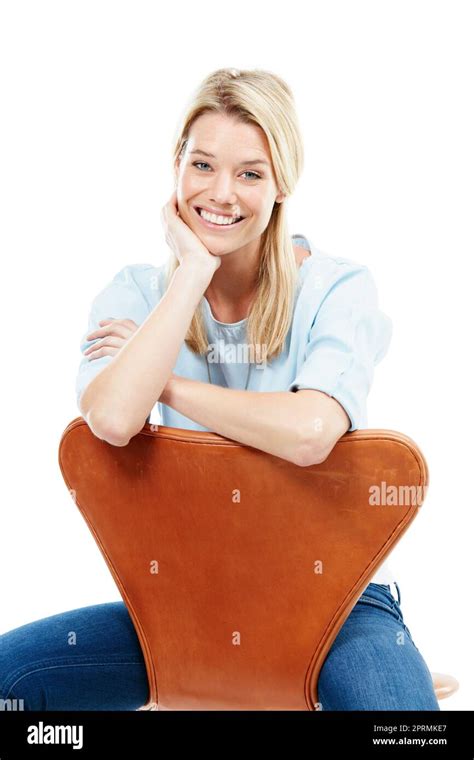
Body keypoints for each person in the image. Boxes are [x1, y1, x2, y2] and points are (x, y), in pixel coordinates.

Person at [0, 67, 439, 711]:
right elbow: (115, 420)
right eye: (202, 165)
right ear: (175, 167)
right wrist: (192, 272)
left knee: (400, 727)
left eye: (250, 173)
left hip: (338, 598)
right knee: (10, 682)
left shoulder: (339, 288)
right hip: (188, 602)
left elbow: (312, 430)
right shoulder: (136, 292)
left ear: (282, 182)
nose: (221, 193)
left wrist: (165, 381)